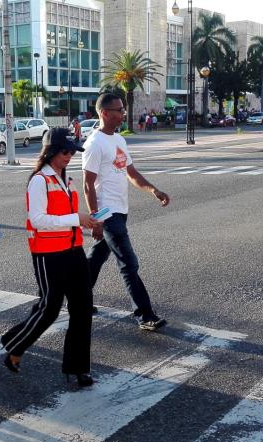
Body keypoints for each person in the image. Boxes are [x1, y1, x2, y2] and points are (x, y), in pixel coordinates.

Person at [0, 128, 99, 387]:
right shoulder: (39, 180)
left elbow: (65, 214)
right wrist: (76, 218)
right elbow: (38, 220)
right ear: (51, 151)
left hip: (73, 249)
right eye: (65, 151)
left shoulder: (67, 180)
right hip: (48, 253)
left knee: (83, 308)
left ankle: (78, 368)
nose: (69, 156)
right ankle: (15, 347)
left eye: (72, 152)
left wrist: (85, 220)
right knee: (50, 307)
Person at [83, 93, 170, 331]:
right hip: (107, 213)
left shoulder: (119, 140)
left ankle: (78, 300)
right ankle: (145, 315)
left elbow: (131, 173)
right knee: (129, 263)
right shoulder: (94, 144)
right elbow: (88, 184)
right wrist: (96, 219)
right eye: (118, 110)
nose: (123, 113)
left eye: (123, 109)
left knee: (96, 258)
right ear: (104, 113)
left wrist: (154, 190)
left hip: (121, 210)